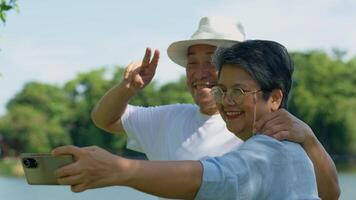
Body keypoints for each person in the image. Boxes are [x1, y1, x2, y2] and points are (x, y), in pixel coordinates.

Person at [89, 16, 339, 199]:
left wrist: (119, 170)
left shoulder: (276, 135)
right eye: (192, 63)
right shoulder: (171, 118)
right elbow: (105, 119)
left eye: (211, 61)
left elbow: (224, 177)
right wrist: (127, 88)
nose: (200, 73)